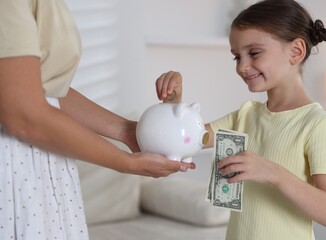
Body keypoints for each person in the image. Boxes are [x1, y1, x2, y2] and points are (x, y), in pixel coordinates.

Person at [0, 1, 195, 239]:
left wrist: (128, 133)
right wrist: (127, 162)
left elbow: (46, 88)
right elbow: (24, 113)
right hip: (15, 167)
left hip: (42, 168)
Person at [155, 0, 326, 239]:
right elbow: (182, 139)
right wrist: (174, 104)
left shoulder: (320, 125)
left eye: (254, 53)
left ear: (296, 51)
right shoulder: (245, 115)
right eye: (237, 57)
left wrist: (273, 173)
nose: (242, 67)